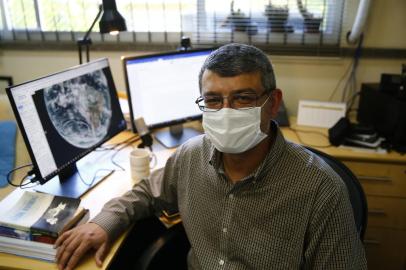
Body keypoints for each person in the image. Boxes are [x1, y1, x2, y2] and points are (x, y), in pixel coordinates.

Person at [55, 43, 367, 270]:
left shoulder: (320, 189)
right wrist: (103, 223)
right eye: (214, 100)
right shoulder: (191, 155)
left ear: (273, 103)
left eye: (243, 98)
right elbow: (147, 193)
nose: (226, 112)